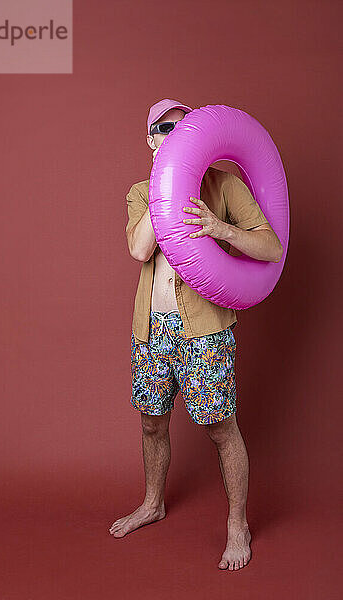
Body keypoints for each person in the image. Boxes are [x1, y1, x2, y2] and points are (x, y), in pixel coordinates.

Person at [109, 98, 283, 571]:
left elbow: (270, 245)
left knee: (220, 428)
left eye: (184, 127)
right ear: (150, 139)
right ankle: (153, 503)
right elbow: (140, 248)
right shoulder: (141, 192)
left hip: (206, 331)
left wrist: (218, 227)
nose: (176, 134)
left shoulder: (222, 185)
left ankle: (236, 526)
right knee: (151, 421)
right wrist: (167, 189)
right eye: (165, 129)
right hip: (152, 329)